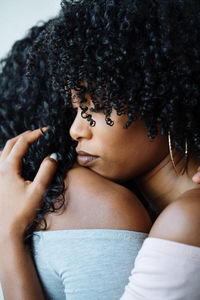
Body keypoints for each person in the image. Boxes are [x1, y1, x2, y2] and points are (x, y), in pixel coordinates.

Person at [0, 0, 200, 299]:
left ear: (161, 104)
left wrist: (8, 235)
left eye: (98, 108)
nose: (75, 130)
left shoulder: (186, 219)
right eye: (76, 109)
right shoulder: (164, 212)